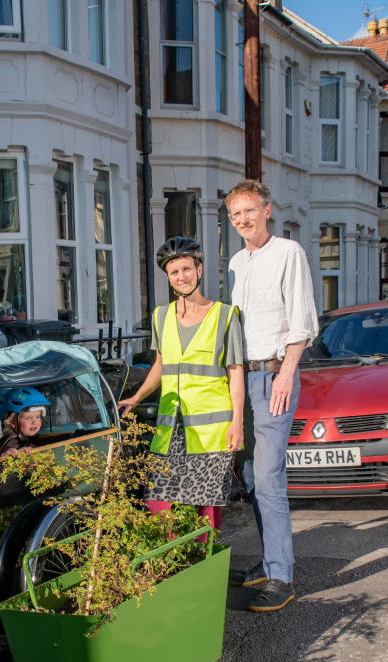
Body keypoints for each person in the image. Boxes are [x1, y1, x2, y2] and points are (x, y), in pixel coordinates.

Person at [225, 179, 319, 612]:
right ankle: (267, 561)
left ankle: (281, 576)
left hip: (274, 376)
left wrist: (286, 372)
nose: (242, 220)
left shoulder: (288, 253)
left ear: (266, 210)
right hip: (242, 380)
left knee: (268, 479)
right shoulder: (236, 263)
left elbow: (301, 318)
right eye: (235, 215)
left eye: (249, 211)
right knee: (249, 476)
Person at [119, 236, 245, 532]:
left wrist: (237, 422)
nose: (181, 277)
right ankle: (171, 564)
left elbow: (236, 371)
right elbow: (161, 365)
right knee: (158, 499)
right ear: (168, 277)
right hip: (171, 424)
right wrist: (135, 399)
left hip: (212, 429)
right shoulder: (161, 316)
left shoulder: (225, 316)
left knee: (205, 505)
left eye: (187, 269)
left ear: (199, 270)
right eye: (174, 272)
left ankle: (204, 565)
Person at [0, 387, 50, 460]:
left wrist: (30, 453)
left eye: (38, 417)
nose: (35, 422)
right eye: (28, 418)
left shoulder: (40, 442)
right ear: (10, 421)